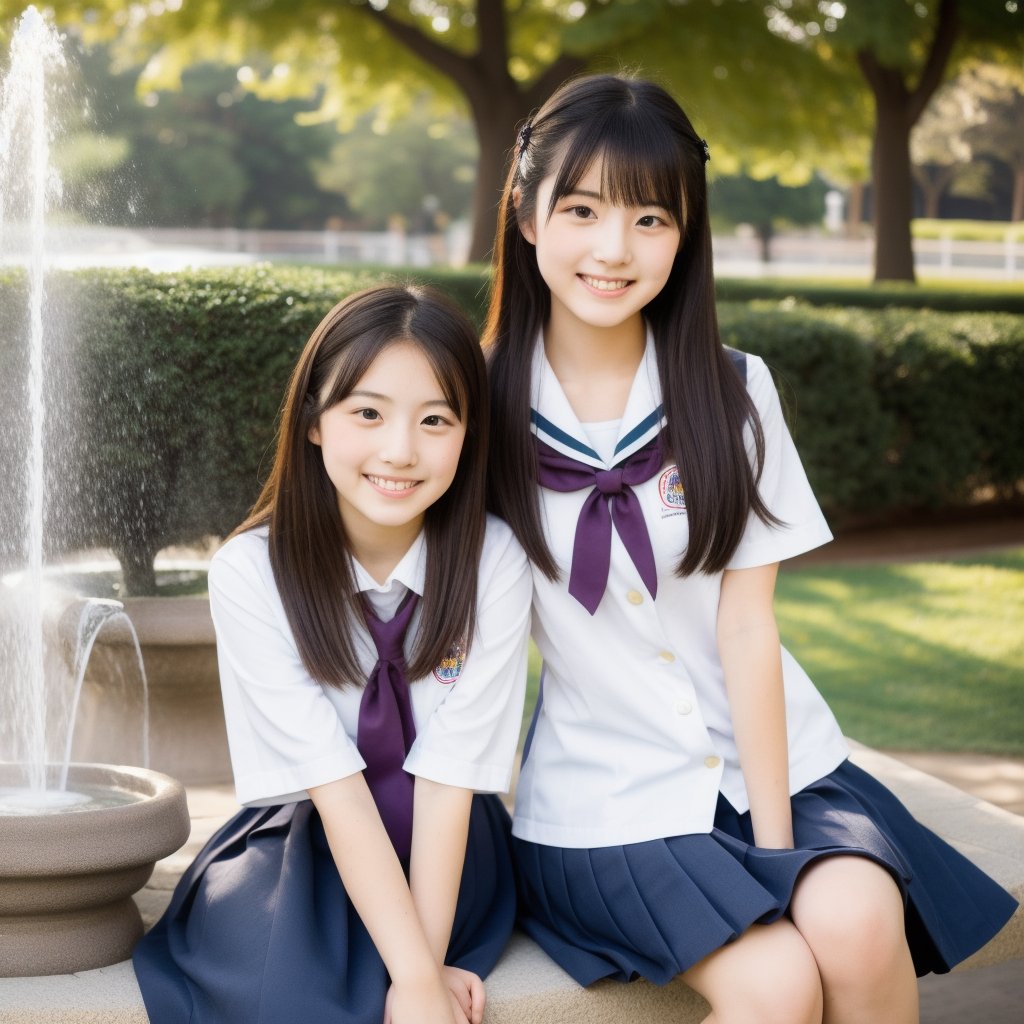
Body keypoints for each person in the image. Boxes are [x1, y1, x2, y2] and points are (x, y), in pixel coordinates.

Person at [484, 74, 1017, 1024]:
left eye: (651, 219)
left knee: (855, 926)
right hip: (605, 795)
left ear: (686, 235)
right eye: (581, 210)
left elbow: (746, 621)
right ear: (526, 216)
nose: (615, 249)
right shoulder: (475, 410)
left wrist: (778, 847)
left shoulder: (732, 391)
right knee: (774, 987)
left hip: (780, 767)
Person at [133, 285, 532, 1024]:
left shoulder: (494, 561)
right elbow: (335, 787)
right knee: (285, 999)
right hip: (307, 838)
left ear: (470, 434)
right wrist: (416, 979)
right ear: (315, 420)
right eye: (368, 413)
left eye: (436, 419)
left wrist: (424, 969)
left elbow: (450, 781)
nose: (401, 451)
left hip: (449, 854)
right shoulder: (253, 571)